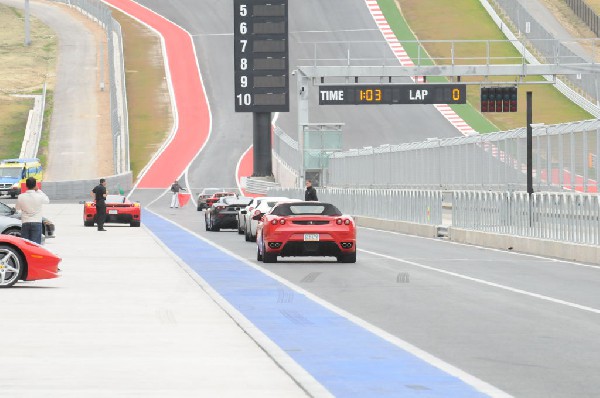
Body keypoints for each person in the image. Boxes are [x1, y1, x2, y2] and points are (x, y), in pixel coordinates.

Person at [15, 177, 49, 244]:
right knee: (35, 245)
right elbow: (47, 200)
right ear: (35, 185)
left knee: (25, 245)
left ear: (26, 185)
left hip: (25, 222)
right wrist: (38, 190)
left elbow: (17, 208)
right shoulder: (39, 196)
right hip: (36, 222)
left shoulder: (21, 196)